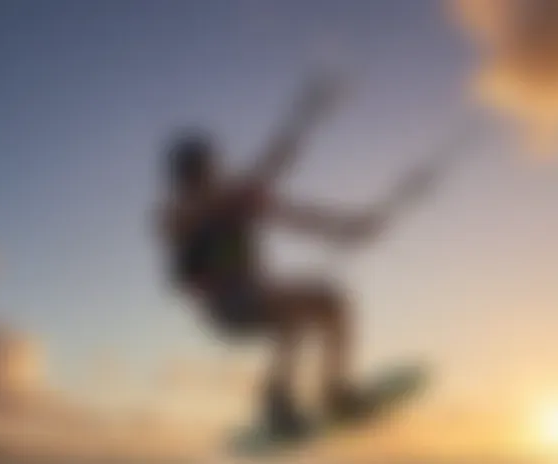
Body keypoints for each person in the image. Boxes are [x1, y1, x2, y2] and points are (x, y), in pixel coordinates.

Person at [155, 76, 438, 438]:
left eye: (209, 168)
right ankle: (279, 402)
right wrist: (303, 118)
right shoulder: (177, 213)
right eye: (201, 171)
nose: (209, 175)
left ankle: (329, 392)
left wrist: (352, 226)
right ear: (187, 177)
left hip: (256, 298)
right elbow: (253, 179)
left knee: (330, 302)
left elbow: (300, 215)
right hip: (226, 309)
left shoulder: (237, 199)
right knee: (292, 314)